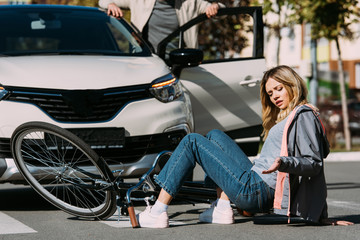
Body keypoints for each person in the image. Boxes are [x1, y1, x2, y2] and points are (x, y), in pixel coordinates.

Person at [132, 65, 355, 228]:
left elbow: (314, 164)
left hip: (257, 190)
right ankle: (221, 208)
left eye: (279, 89)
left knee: (192, 141)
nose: (275, 96)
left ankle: (158, 211)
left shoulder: (304, 115)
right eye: (270, 93)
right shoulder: (292, 116)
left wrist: (284, 163)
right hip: (255, 183)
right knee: (215, 135)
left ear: (292, 84)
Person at [98, 0, 221, 53]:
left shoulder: (189, 2)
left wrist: (215, 7)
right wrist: (111, 4)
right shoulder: (140, 1)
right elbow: (103, 1)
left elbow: (222, 12)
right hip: (147, 62)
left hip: (178, 64)